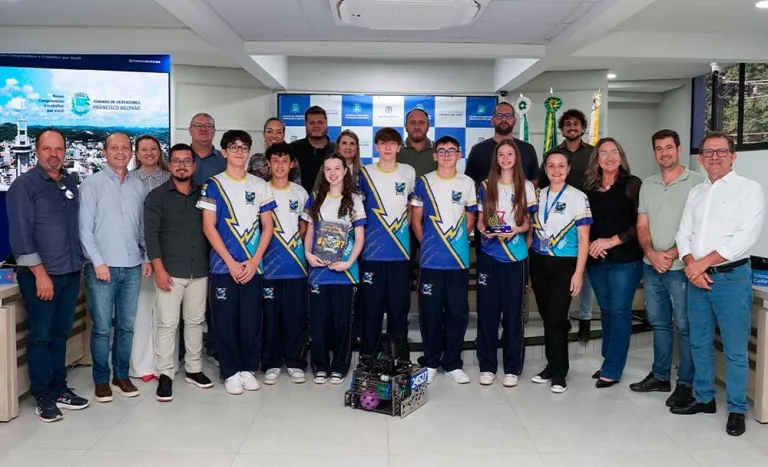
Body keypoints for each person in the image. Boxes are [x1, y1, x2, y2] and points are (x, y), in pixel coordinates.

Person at [672, 132, 765, 437]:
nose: (714, 157)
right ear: (701, 158)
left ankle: (736, 409)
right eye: (708, 152)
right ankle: (704, 398)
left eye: (721, 151)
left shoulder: (749, 190)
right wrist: (691, 265)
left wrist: (703, 263)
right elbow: (683, 233)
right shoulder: (696, 192)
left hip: (731, 278)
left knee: (735, 349)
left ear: (733, 156)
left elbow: (744, 239)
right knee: (699, 342)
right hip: (697, 279)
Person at [7, 128, 90, 422]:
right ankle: (44, 395)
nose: (54, 154)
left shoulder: (69, 181)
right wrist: (40, 274)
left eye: (59, 149)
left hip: (69, 272)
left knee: (59, 334)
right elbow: (21, 237)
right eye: (47, 149)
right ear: (37, 150)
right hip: (42, 275)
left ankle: (59, 388)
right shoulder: (24, 186)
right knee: (41, 337)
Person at [629, 129, 704, 408]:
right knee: (659, 324)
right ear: (654, 153)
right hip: (652, 266)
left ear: (679, 149)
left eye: (669, 147)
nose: (664, 153)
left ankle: (685, 383)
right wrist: (651, 253)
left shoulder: (697, 182)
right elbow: (642, 225)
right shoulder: (647, 185)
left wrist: (671, 254)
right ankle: (661, 376)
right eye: (659, 149)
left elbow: (698, 228)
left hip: (682, 268)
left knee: (684, 326)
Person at [197, 130, 276, 395]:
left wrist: (254, 261)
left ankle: (247, 368)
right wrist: (230, 262)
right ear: (224, 151)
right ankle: (230, 371)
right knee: (225, 320)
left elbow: (268, 227)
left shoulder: (260, 185)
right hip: (223, 266)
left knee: (251, 319)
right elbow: (209, 227)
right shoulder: (213, 184)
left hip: (254, 266)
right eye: (234, 147)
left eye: (244, 147)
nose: (239, 151)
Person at [79, 132, 151, 403]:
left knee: (126, 327)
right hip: (103, 268)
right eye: (114, 148)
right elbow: (84, 230)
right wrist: (97, 261)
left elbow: (142, 227)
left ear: (131, 152)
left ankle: (121, 376)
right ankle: (101, 380)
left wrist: (145, 257)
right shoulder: (92, 184)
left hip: (132, 266)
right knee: (101, 329)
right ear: (104, 152)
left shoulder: (137, 185)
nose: (120, 152)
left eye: (125, 148)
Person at [144, 143, 214, 402]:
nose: (182, 165)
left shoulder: (206, 193)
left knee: (196, 322)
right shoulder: (157, 196)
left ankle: (194, 370)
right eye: (176, 161)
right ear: (169, 164)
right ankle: (165, 374)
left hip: (200, 269)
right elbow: (150, 236)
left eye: (187, 161)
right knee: (167, 324)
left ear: (194, 165)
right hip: (170, 271)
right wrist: (159, 270)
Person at [410, 136, 478, 385]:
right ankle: (430, 362)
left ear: (459, 155)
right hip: (430, 261)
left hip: (458, 260)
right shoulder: (424, 182)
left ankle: (452, 363)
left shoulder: (467, 183)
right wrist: (426, 243)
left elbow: (471, 217)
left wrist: (458, 242)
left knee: (458, 312)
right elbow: (415, 220)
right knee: (430, 313)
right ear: (434, 155)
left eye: (452, 150)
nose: (447, 154)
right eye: (442, 150)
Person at [582, 138, 643, 388]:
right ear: (596, 159)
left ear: (621, 155)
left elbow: (640, 223)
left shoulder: (632, 184)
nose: (609, 157)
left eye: (614, 152)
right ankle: (609, 359)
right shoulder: (589, 188)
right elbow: (586, 224)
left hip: (625, 259)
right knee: (606, 310)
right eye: (603, 153)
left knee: (619, 312)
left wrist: (612, 241)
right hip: (597, 259)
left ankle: (613, 368)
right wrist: (594, 246)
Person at [475, 139, 536, 388]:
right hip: (489, 255)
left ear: (516, 157)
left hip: (516, 257)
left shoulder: (527, 186)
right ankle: (487, 366)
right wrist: (483, 230)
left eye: (510, 154)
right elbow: (480, 221)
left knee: (513, 314)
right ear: (496, 158)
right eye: (502, 154)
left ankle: (512, 367)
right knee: (488, 314)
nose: (506, 158)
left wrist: (516, 230)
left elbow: (528, 224)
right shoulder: (486, 185)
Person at [529, 150, 591, 394]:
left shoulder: (578, 197)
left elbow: (584, 239)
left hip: (566, 264)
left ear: (568, 169)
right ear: (545, 169)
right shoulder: (537, 195)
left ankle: (559, 372)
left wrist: (579, 273)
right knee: (548, 318)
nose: (556, 170)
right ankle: (551, 364)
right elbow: (532, 232)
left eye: (561, 166)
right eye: (551, 166)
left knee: (556, 318)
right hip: (539, 262)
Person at [302, 153, 366, 385]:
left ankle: (339, 366)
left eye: (337, 168)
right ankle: (320, 366)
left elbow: (359, 237)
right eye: (328, 169)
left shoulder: (354, 199)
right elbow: (309, 232)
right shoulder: (316, 197)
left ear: (345, 170)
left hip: (345, 273)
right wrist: (308, 255)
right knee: (318, 322)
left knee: (342, 323)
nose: (332, 173)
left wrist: (349, 263)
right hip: (319, 271)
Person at [537, 109, 595, 341]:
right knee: (554, 308)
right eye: (568, 124)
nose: (572, 127)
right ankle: (563, 322)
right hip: (555, 227)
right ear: (561, 129)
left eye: (577, 123)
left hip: (584, 216)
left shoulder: (593, 153)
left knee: (582, 275)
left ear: (583, 128)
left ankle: (585, 318)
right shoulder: (554, 153)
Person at [358, 128, 416, 355]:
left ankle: (397, 358)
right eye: (383, 143)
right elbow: (358, 211)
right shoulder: (365, 173)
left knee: (398, 310)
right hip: (371, 253)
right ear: (376, 146)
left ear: (399, 146)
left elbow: (412, 207)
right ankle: (369, 358)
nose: (388, 147)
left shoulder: (408, 172)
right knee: (371, 310)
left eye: (393, 143)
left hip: (400, 253)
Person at [260, 142, 310, 385]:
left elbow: (305, 225)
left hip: (296, 266)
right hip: (268, 267)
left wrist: (294, 248)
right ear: (268, 164)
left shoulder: (300, 193)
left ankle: (295, 362)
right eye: (275, 161)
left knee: (295, 316)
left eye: (284, 161)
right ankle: (271, 363)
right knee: (270, 317)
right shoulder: (260, 190)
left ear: (292, 164)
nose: (280, 166)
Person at [127, 135, 172, 383]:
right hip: (137, 256)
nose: (149, 153)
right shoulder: (129, 180)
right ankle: (142, 365)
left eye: (153, 148)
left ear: (160, 151)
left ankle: (165, 363)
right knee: (142, 313)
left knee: (166, 314)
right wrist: (145, 254)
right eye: (143, 149)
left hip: (167, 254)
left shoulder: (169, 178)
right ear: (137, 153)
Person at [465, 101, 540, 186]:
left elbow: (534, 180)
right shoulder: (477, 150)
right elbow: (469, 182)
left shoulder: (528, 149)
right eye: (499, 116)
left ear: (514, 121)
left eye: (508, 116)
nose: (504, 119)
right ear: (492, 121)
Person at [291, 106, 335, 195]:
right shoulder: (292, 149)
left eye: (320, 122)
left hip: (330, 204)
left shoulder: (336, 150)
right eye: (311, 123)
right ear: (305, 124)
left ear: (326, 123)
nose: (316, 126)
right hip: (297, 203)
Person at [247, 117, 302, 184]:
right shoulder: (255, 159)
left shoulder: (291, 160)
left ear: (283, 135)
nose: (274, 135)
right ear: (264, 134)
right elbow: (248, 186)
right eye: (270, 131)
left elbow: (296, 189)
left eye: (279, 132)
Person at [397, 108, 437, 179]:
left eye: (421, 122)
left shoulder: (439, 150)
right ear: (406, 126)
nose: (417, 127)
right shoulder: (395, 150)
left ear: (428, 126)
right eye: (412, 122)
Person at [189, 112, 226, 184]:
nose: (203, 129)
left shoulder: (225, 159)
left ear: (214, 132)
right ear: (190, 131)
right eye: (198, 126)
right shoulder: (177, 159)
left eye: (208, 126)